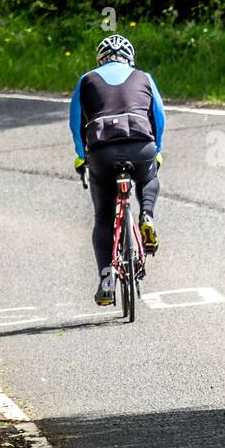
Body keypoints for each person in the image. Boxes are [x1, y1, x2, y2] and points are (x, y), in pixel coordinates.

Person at [69, 34, 165, 306]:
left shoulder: (86, 80)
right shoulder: (143, 77)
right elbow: (159, 117)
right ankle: (147, 216)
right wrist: (157, 150)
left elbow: (75, 121)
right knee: (148, 177)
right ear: (129, 58)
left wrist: (80, 156)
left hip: (102, 151)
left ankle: (106, 278)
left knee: (102, 216)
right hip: (140, 145)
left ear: (100, 60)